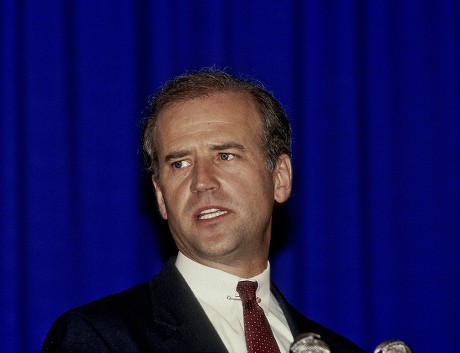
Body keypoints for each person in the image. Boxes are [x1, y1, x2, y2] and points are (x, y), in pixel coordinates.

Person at [41, 69, 365, 352]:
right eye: (180, 164)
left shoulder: (339, 350)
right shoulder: (98, 339)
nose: (202, 182)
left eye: (224, 156)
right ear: (160, 196)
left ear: (280, 178)